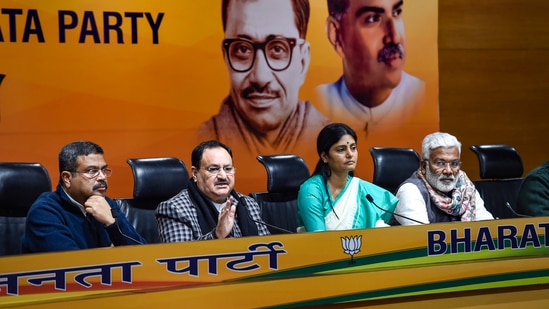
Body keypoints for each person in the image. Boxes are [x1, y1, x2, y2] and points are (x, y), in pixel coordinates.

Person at [196, 0, 329, 157]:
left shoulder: (330, 140)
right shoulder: (199, 140)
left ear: (302, 61)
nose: (260, 77)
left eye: (278, 49)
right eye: (242, 49)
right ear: (226, 57)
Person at [316, 0, 425, 136]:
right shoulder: (314, 109)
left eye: (396, 13)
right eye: (373, 19)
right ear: (337, 35)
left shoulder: (424, 98)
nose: (395, 37)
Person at [22, 141, 145, 253]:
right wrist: (113, 252)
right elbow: (71, 266)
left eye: (104, 170)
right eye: (92, 171)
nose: (102, 177)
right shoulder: (45, 211)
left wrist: (111, 222)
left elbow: (142, 253)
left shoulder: (106, 203)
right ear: (67, 178)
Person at [156, 140, 270, 241]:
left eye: (228, 169)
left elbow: (268, 249)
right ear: (195, 173)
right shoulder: (175, 209)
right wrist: (216, 235)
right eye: (214, 169)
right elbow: (180, 257)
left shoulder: (248, 204)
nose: (223, 176)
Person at [297, 123, 398, 232]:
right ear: (325, 156)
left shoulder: (362, 190)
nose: (350, 154)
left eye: (353, 148)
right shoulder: (311, 190)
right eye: (341, 149)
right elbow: (318, 238)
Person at [394, 132, 494, 225]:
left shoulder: (466, 187)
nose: (448, 171)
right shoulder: (410, 191)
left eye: (454, 163)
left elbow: (487, 227)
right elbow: (422, 239)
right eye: (440, 163)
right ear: (424, 167)